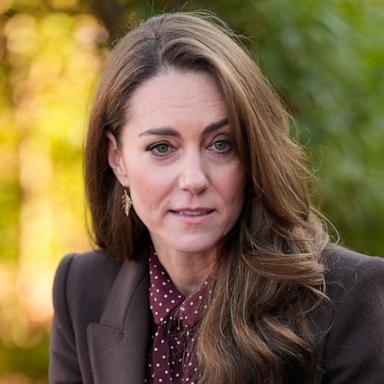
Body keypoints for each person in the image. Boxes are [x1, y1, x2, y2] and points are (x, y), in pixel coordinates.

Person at [49, 11, 384, 384]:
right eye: (162, 147)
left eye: (221, 144)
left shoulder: (352, 296)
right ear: (118, 159)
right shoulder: (81, 288)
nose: (193, 179)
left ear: (252, 154)